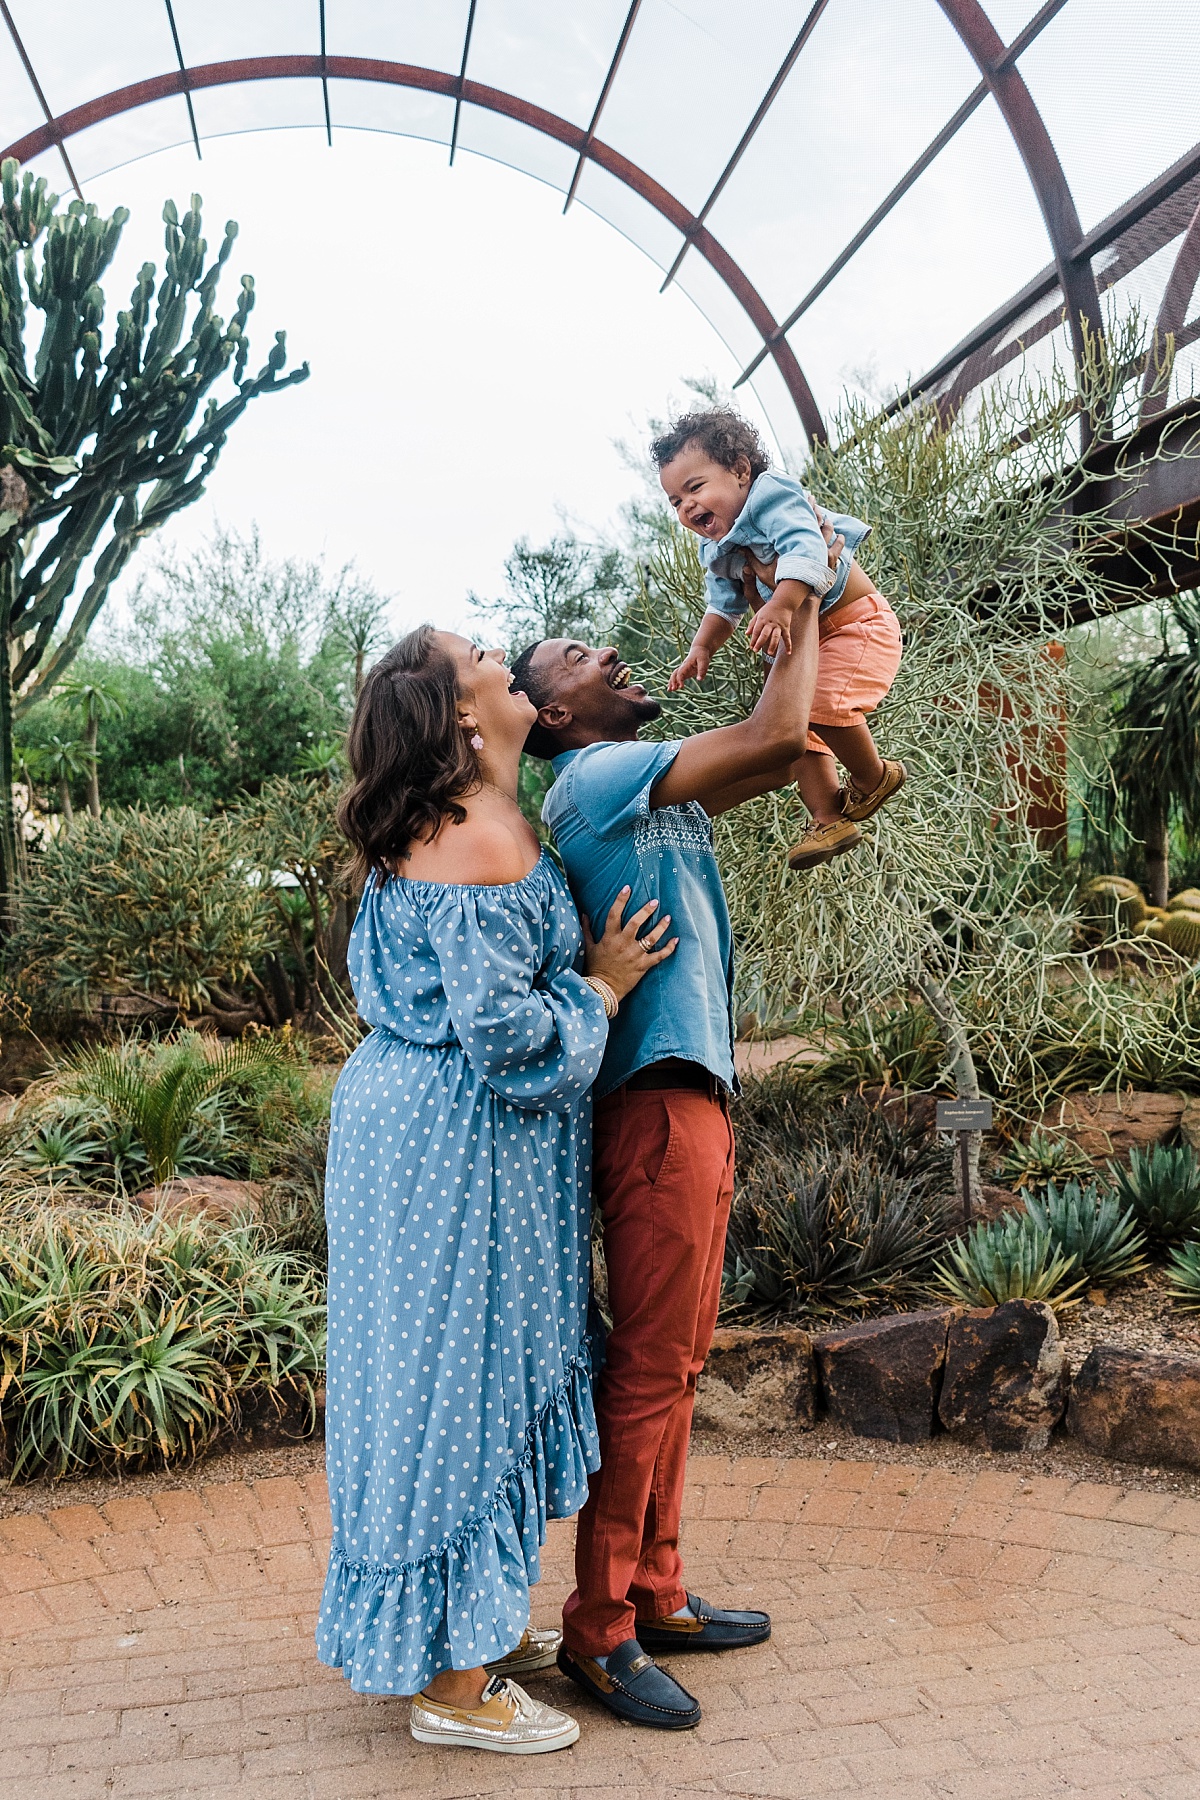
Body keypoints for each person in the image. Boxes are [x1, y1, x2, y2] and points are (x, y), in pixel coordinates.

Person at [316, 624, 677, 1756]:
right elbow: (509, 1038)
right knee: (456, 1384)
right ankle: (457, 1689)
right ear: (466, 715)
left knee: (433, 1377)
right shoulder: (473, 837)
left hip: (433, 1135)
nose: (504, 660)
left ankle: (454, 1629)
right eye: (481, 654)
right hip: (454, 1142)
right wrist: (606, 988)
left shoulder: (483, 820)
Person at [508, 550, 829, 1733]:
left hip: (689, 1094)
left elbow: (781, 748)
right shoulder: (593, 779)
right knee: (649, 1372)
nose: (610, 654)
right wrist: (804, 588)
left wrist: (784, 606)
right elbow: (777, 734)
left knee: (678, 1367)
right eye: (582, 656)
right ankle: (599, 1632)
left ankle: (658, 1592)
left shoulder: (645, 781)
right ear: (554, 713)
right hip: (652, 1102)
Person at [653, 406, 905, 872]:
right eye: (675, 501)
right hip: (811, 637)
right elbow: (722, 605)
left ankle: (874, 777)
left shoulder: (773, 495)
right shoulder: (716, 546)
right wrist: (702, 646)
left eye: (695, 488)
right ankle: (828, 817)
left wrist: (783, 603)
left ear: (741, 471)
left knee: (820, 707)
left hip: (856, 625)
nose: (686, 506)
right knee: (797, 731)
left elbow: (810, 550)